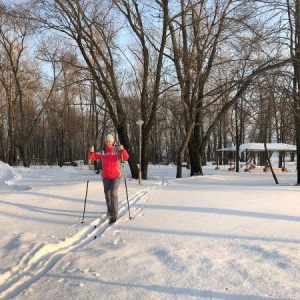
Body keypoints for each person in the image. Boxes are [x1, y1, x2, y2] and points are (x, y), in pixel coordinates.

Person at [88, 134, 129, 224]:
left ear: (113, 142)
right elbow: (92, 158)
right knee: (107, 194)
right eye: (106, 141)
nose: (108, 143)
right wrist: (91, 152)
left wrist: (123, 150)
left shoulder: (117, 150)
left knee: (113, 193)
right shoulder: (102, 151)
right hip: (106, 176)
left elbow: (126, 157)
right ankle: (110, 210)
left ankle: (114, 214)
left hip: (116, 175)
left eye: (109, 141)